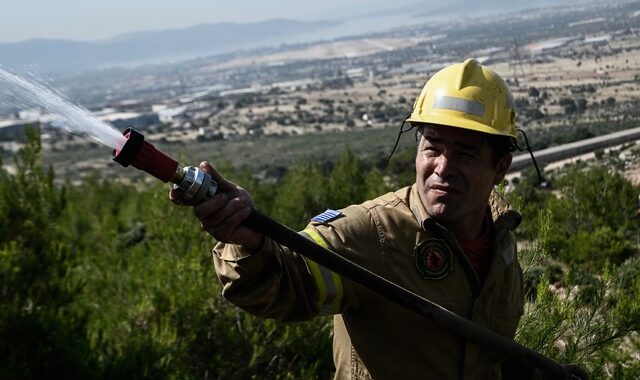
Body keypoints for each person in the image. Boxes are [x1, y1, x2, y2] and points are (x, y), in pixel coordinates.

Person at [171, 59, 585, 379]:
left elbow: (484, 355)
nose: (442, 167)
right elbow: (283, 284)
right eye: (433, 147)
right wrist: (247, 241)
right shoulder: (372, 235)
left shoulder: (501, 241)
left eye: (466, 153)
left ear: (500, 168)